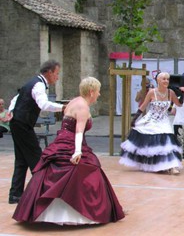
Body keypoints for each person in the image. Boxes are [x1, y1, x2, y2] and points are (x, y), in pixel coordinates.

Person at [12, 77, 125, 224]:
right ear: (91, 92)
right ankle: (81, 212)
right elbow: (78, 131)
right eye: (98, 91)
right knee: (83, 171)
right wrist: (77, 152)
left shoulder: (74, 101)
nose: (99, 94)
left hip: (62, 141)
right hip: (72, 143)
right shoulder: (83, 106)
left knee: (54, 171)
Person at [8, 60, 65, 205]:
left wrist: (11, 112)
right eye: (56, 74)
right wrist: (63, 107)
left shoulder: (33, 82)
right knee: (36, 158)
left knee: (21, 160)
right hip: (22, 125)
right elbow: (44, 104)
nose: (57, 77)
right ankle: (44, 191)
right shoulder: (39, 84)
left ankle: (15, 195)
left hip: (18, 123)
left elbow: (16, 98)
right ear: (49, 72)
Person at [119, 71, 183, 175]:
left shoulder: (170, 92)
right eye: (164, 79)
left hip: (164, 120)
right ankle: (158, 165)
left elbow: (179, 104)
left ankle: (171, 166)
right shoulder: (152, 92)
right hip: (151, 120)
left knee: (168, 143)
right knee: (153, 144)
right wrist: (134, 119)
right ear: (158, 80)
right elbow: (143, 106)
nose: (166, 81)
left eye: (168, 79)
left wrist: (182, 95)